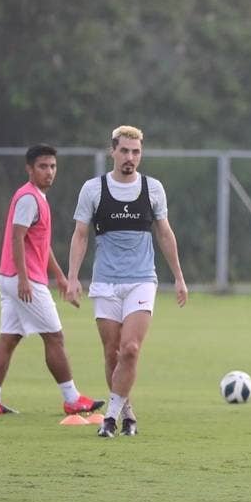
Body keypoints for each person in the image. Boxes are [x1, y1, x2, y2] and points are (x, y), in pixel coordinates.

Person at [65, 126, 188, 437]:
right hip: (105, 282)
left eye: (136, 152)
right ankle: (128, 413)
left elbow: (164, 232)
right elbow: (80, 236)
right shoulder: (93, 189)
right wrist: (72, 277)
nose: (130, 157)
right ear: (113, 151)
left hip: (142, 280)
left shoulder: (153, 188)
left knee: (130, 348)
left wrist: (179, 277)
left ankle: (110, 418)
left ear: (141, 153)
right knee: (112, 353)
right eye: (124, 151)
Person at [0, 144, 104, 416]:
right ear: (29, 169)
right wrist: (23, 279)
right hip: (23, 280)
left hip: (12, 279)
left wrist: (59, 276)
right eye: (43, 166)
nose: (49, 172)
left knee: (9, 339)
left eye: (52, 166)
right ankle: (72, 399)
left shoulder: (37, 197)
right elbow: (17, 237)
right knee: (55, 337)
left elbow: (40, 244)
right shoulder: (28, 198)